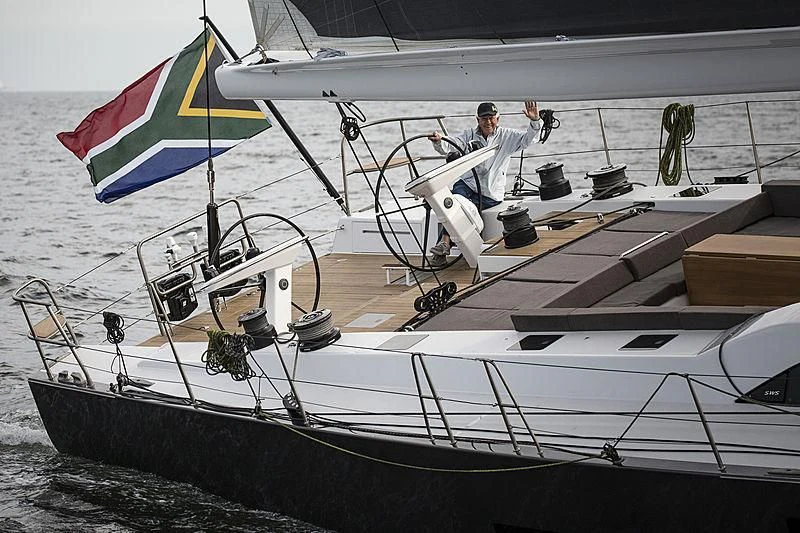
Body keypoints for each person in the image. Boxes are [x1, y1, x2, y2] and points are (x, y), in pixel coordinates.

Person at [426, 101, 541, 265]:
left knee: (462, 208)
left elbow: (529, 139)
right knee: (453, 203)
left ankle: (444, 246)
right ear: (477, 120)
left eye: (491, 118)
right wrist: (438, 140)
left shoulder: (507, 136)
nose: (488, 122)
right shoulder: (468, 135)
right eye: (484, 118)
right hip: (467, 184)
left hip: (490, 192)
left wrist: (535, 121)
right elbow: (451, 145)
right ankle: (444, 244)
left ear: (498, 119)